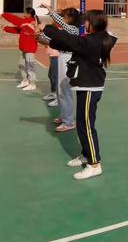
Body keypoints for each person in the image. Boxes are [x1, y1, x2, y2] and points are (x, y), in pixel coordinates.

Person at [39, 10, 117, 180]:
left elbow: (70, 40)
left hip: (90, 87)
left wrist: (47, 28)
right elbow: (68, 44)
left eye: (86, 21)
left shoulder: (93, 41)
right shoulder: (97, 39)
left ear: (93, 23)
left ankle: (94, 164)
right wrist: (45, 39)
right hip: (86, 85)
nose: (84, 24)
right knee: (82, 123)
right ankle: (86, 154)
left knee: (87, 126)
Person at [39, 4, 81, 133]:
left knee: (65, 90)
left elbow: (60, 27)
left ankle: (69, 121)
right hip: (62, 57)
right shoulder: (65, 31)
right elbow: (52, 39)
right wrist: (38, 34)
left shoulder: (74, 30)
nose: (62, 19)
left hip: (68, 59)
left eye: (64, 16)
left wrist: (50, 11)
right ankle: (64, 116)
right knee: (60, 89)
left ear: (70, 18)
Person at [2, 8, 38, 91]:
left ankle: (32, 83)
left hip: (29, 49)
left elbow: (15, 20)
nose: (23, 14)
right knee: (22, 65)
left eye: (25, 12)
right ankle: (25, 81)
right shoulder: (24, 24)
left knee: (29, 66)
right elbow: (18, 30)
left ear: (29, 14)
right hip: (23, 48)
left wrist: (3, 15)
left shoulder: (29, 22)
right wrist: (5, 28)